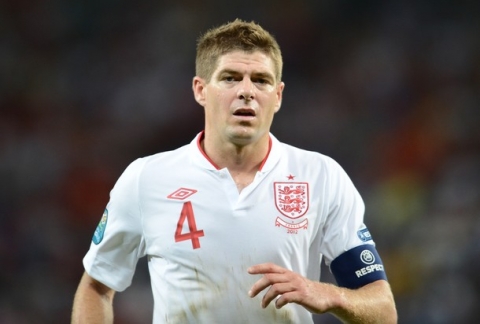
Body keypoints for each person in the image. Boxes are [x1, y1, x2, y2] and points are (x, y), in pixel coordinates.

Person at [71, 19, 397, 323]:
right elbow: (97, 286)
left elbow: (382, 308)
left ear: (278, 96)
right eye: (230, 78)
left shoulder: (321, 176)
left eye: (261, 80)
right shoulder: (146, 178)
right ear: (200, 89)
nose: (246, 91)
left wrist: (324, 292)